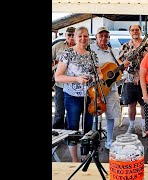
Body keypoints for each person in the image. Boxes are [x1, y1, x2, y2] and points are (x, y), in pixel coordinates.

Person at [55, 26, 104, 162]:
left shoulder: (92, 54)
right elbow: (58, 76)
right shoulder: (68, 53)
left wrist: (95, 78)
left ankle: (86, 155)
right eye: (80, 36)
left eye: (86, 36)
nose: (83, 38)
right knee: (73, 127)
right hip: (72, 97)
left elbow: (99, 74)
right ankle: (75, 159)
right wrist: (77, 79)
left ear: (89, 38)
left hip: (90, 96)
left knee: (88, 127)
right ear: (75, 37)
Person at [89, 26, 121, 149]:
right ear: (96, 37)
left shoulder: (113, 51)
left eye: (106, 36)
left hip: (110, 88)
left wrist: (121, 68)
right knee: (94, 115)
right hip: (96, 88)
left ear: (109, 38)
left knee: (111, 115)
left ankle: (109, 140)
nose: (103, 38)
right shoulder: (90, 49)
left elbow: (116, 70)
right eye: (101, 35)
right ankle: (92, 139)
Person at [117, 24, 148, 137]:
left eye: (137, 30)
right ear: (130, 32)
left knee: (144, 105)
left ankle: (143, 126)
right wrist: (123, 65)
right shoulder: (125, 46)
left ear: (140, 31)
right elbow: (118, 59)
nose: (135, 32)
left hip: (145, 80)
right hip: (129, 80)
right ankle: (131, 126)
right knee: (131, 105)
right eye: (132, 30)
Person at [52, 26, 76, 129]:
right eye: (69, 34)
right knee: (59, 111)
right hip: (60, 85)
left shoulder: (81, 47)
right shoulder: (57, 46)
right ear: (65, 35)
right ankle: (57, 135)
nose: (71, 37)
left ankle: (69, 135)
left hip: (74, 85)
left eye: (73, 34)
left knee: (71, 112)